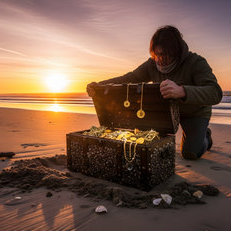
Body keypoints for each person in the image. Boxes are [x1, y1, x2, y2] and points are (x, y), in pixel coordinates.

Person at [87, 25, 222, 160]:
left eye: (165, 55)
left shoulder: (196, 62)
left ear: (177, 51)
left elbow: (215, 93)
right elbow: (129, 78)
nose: (160, 60)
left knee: (190, 153)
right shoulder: (152, 64)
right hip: (164, 113)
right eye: (157, 55)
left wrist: (182, 91)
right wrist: (99, 86)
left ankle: (205, 136)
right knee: (148, 144)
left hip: (194, 113)